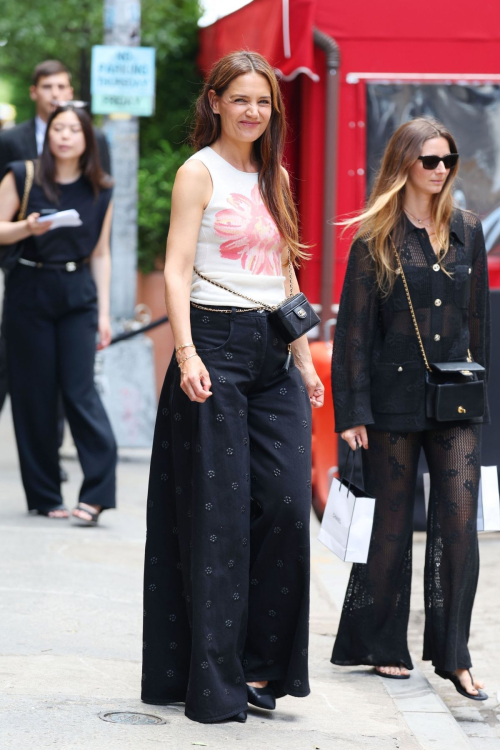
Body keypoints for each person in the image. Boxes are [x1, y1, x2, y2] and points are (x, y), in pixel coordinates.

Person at [141, 51, 324, 724]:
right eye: (241, 98)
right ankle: (217, 685)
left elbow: (285, 276)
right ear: (215, 101)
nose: (254, 111)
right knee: (219, 522)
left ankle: (263, 669)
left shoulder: (273, 175)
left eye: (264, 102)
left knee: (281, 504)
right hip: (212, 348)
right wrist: (186, 353)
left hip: (274, 354)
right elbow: (177, 267)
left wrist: (303, 359)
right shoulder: (199, 172)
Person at [330, 117, 489, 700]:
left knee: (458, 525)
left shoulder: (468, 229)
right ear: (404, 165)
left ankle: (454, 655)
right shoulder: (375, 236)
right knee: (392, 527)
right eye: (429, 160)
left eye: (448, 159)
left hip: (455, 403)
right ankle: (382, 644)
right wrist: (352, 413)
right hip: (391, 399)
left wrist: (482, 398)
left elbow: (477, 326)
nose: (441, 169)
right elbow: (353, 333)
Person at [0, 104, 117, 524]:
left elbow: (101, 253)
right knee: (34, 395)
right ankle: (45, 494)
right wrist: (26, 228)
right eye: (57, 128)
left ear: (87, 138)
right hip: (29, 288)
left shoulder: (101, 187)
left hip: (78, 291)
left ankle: (99, 491)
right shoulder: (22, 173)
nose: (64, 135)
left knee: (80, 390)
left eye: (73, 129)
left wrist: (104, 313)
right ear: (47, 135)